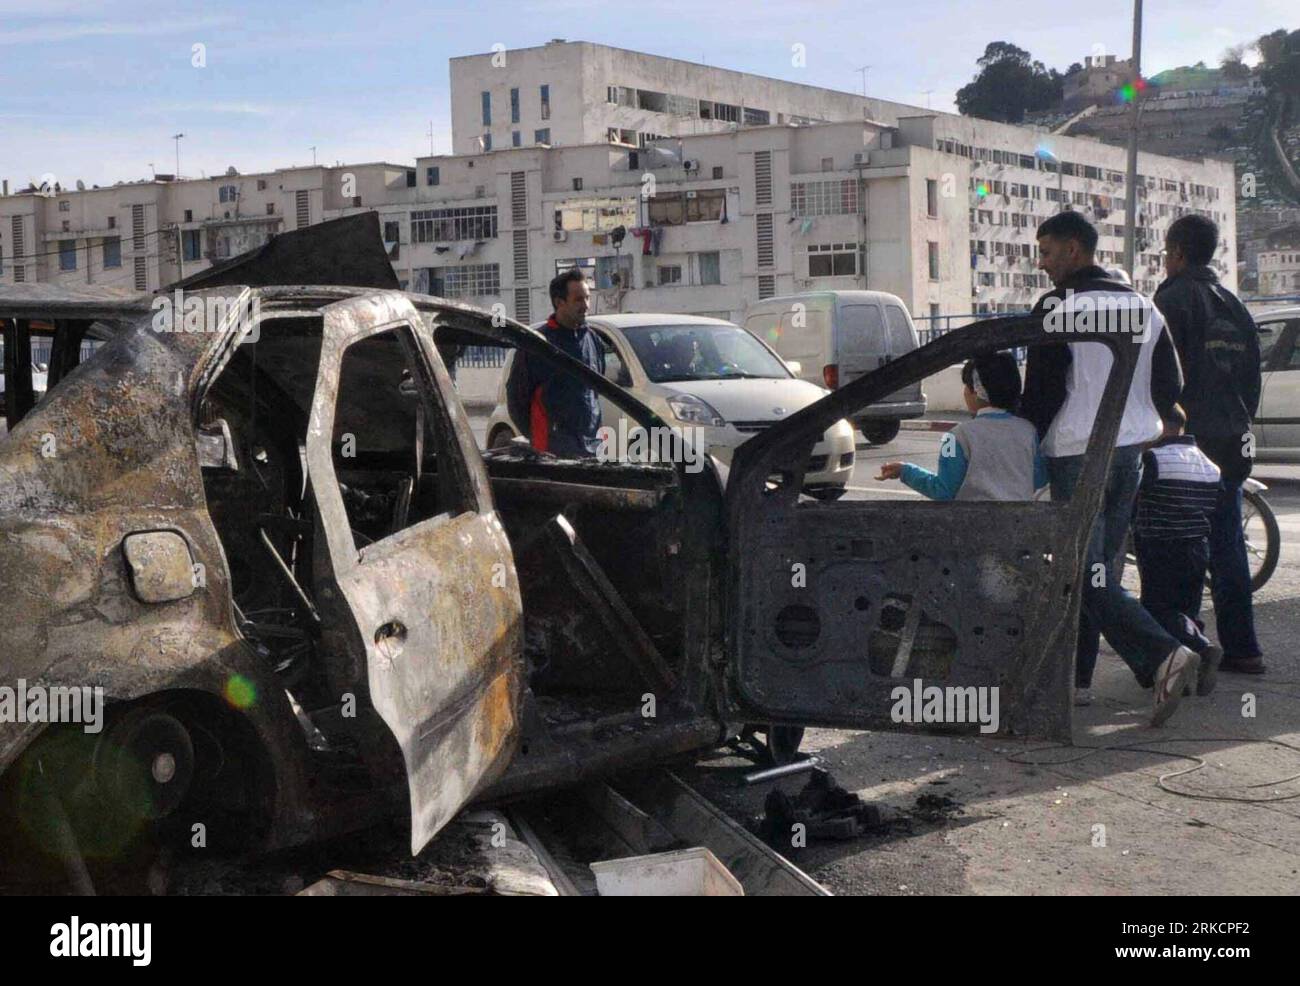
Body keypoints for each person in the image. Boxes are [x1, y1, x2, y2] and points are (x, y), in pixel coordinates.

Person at [1020, 210, 1199, 723]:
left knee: (1081, 573)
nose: (1043, 264)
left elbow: (1044, 392)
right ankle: (1080, 682)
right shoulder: (1144, 307)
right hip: (1131, 454)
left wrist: (1023, 435)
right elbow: (1171, 385)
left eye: (1049, 252)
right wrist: (1143, 419)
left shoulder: (1059, 306)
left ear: (1075, 250)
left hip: (1079, 454)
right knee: (1102, 571)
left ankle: (1165, 654)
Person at [1154, 214, 1265, 675]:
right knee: (1226, 544)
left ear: (1177, 253)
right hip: (1233, 437)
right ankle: (1243, 649)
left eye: (1165, 251)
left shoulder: (1172, 299)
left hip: (1187, 439)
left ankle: (1185, 648)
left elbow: (1159, 376)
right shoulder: (1235, 305)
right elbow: (1251, 379)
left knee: (1176, 544)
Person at [1133, 403, 1223, 696]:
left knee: (1158, 609)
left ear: (1162, 426)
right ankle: (1182, 675)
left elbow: (1134, 497)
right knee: (1187, 611)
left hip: (1160, 547)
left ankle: (1202, 649)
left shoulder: (1153, 459)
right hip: (1198, 548)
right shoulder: (1210, 465)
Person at [878, 352, 1047, 500]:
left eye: (967, 386)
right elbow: (1039, 478)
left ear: (976, 391)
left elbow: (943, 490)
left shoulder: (953, 437)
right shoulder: (1028, 431)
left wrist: (905, 471)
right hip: (1020, 526)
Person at [506, 268, 604, 457]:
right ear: (559, 302)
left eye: (587, 298)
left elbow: (594, 393)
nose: (586, 305)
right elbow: (517, 400)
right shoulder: (536, 345)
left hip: (591, 449)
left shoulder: (593, 340)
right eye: (578, 299)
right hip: (552, 453)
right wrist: (543, 439)